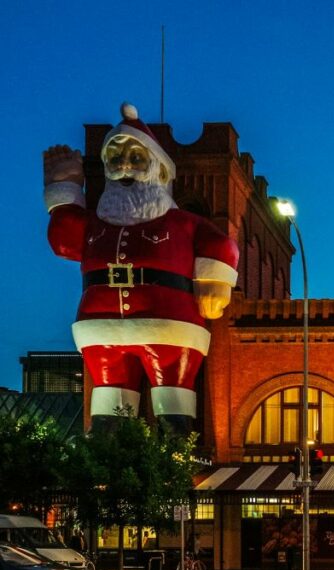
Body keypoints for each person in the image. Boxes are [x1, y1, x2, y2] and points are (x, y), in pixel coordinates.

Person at [43, 102, 239, 435]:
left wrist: (214, 280)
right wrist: (65, 189)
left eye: (135, 158)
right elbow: (64, 242)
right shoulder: (96, 224)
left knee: (173, 409)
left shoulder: (180, 222)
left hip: (169, 324)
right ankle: (109, 466)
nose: (124, 168)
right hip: (101, 326)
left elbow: (221, 244)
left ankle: (174, 461)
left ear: (158, 170)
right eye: (115, 159)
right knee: (108, 413)